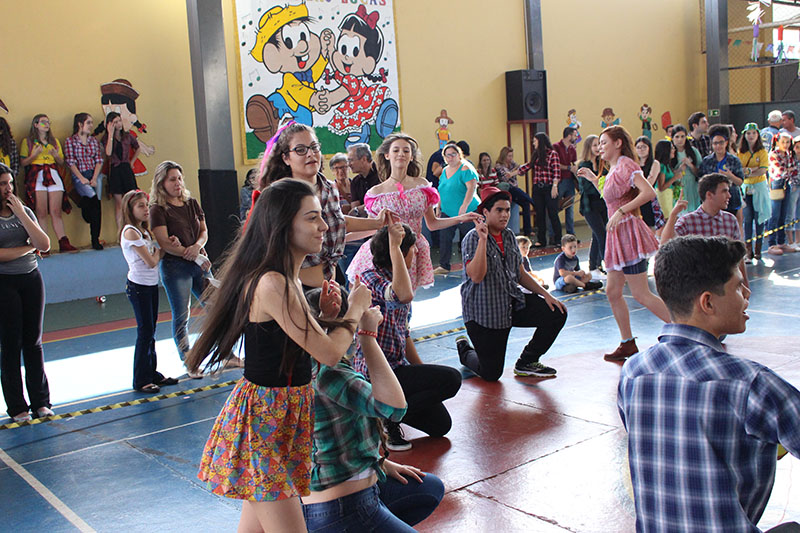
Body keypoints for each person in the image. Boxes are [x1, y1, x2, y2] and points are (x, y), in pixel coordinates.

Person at [186, 178, 373, 533]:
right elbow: (330, 354)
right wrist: (356, 309)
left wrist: (325, 318)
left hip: (283, 418)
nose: (324, 226)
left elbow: (294, 342)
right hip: (265, 425)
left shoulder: (289, 280)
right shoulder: (274, 283)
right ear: (283, 226)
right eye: (312, 218)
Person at [618, 235, 800, 533]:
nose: (747, 293)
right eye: (738, 286)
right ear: (708, 302)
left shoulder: (633, 373)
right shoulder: (749, 383)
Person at [302, 289, 444, 531]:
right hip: (343, 507)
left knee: (428, 488)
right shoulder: (331, 374)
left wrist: (379, 464)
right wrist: (368, 337)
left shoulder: (302, 365)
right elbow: (394, 409)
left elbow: (331, 439)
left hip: (331, 496)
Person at [354, 223, 462, 449]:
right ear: (400, 251)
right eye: (412, 248)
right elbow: (401, 295)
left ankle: (387, 415)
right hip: (377, 374)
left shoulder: (400, 279)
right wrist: (396, 246)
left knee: (441, 425)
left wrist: (423, 372)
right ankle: (386, 418)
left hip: (399, 368)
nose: (417, 252)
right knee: (452, 379)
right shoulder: (370, 278)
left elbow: (405, 333)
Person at [577, 126, 670, 362]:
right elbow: (612, 195)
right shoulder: (613, 168)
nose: (600, 147)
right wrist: (594, 180)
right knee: (612, 291)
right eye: (599, 143)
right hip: (616, 235)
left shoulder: (627, 164)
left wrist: (622, 211)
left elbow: (648, 192)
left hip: (628, 233)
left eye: (604, 142)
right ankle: (627, 342)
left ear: (618, 143)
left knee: (640, 293)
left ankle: (686, 329)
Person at [456, 186, 567, 381]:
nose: (505, 215)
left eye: (507, 210)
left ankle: (527, 361)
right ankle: (464, 349)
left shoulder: (508, 236)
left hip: (509, 303)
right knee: (491, 373)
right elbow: (476, 276)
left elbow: (520, 273)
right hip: (484, 314)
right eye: (499, 210)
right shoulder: (472, 238)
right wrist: (483, 240)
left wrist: (546, 295)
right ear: (485, 212)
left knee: (557, 312)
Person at [259, 122, 390, 288]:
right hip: (298, 286)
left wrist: (378, 223)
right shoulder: (281, 195)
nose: (310, 154)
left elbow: (338, 221)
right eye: (300, 150)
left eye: (314, 147)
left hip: (331, 283)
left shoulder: (329, 187)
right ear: (286, 158)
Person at [346, 133, 480, 290]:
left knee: (406, 297)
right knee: (384, 297)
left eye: (406, 151)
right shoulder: (376, 192)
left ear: (411, 157)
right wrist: (341, 238)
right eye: (396, 150)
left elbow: (432, 223)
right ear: (387, 155)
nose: (401, 154)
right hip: (385, 251)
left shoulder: (422, 186)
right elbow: (371, 227)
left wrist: (461, 218)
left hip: (412, 249)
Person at [0, 164, 53, 422]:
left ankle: (40, 402)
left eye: (10, 183)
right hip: (5, 282)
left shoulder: (24, 211)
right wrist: (27, 248)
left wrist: (21, 213)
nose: (8, 189)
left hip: (31, 279)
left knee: (34, 342)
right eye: (2, 184)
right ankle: (17, 406)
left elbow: (44, 243)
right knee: (11, 344)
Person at [149, 161, 211, 373]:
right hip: (176, 268)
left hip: (198, 263)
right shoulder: (158, 209)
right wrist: (191, 254)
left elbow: (203, 231)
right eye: (172, 180)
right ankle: (189, 359)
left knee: (215, 307)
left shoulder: (191, 203)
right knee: (182, 315)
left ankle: (226, 353)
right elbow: (165, 243)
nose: (177, 183)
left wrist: (197, 247)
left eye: (179, 178)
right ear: (162, 183)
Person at [119, 189, 178, 393]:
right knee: (145, 332)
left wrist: (166, 246)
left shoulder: (143, 231)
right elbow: (151, 261)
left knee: (151, 331)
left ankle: (151, 372)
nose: (146, 209)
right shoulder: (131, 232)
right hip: (139, 287)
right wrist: (163, 250)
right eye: (140, 206)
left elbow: (154, 255)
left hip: (150, 285)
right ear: (130, 209)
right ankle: (141, 379)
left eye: (146, 205)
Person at [662, 173, 749, 290]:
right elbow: (665, 245)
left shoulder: (730, 220)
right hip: (698, 285)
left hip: (726, 285)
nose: (729, 195)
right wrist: (673, 215)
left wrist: (744, 284)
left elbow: (739, 257)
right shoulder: (688, 221)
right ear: (709, 195)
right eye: (724, 191)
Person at [19, 114, 77, 252]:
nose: (46, 124)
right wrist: (34, 155)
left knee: (56, 211)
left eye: (48, 122)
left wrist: (56, 155)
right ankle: (43, 245)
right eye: (43, 122)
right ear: (35, 125)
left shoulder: (54, 142)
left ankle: (63, 242)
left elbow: (61, 162)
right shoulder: (28, 142)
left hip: (52, 173)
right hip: (37, 174)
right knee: (41, 212)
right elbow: (23, 162)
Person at [434, 141, 480, 274]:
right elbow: (441, 190)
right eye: (447, 155)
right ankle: (444, 266)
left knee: (472, 238)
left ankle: (477, 263)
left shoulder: (465, 168)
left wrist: (464, 206)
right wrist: (438, 207)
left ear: (459, 155)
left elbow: (472, 188)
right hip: (447, 211)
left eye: (453, 154)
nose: (450, 158)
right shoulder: (444, 170)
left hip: (466, 211)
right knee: (445, 238)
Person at [65, 113, 104, 250]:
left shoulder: (93, 141)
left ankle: (95, 238)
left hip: (94, 174)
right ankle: (84, 207)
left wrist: (94, 178)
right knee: (93, 201)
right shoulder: (71, 141)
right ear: (80, 124)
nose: (91, 125)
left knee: (97, 205)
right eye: (88, 123)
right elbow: (70, 162)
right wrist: (81, 178)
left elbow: (98, 160)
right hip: (80, 175)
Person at [698, 125, 745, 227]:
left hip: (731, 200)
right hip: (712, 202)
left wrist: (730, 176)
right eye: (715, 143)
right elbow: (701, 182)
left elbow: (740, 182)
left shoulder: (734, 160)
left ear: (726, 143)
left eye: (721, 143)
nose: (718, 146)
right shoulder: (706, 161)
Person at [102, 111, 140, 231]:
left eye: (119, 121)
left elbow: (137, 147)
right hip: (115, 169)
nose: (118, 124)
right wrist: (110, 134)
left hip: (126, 168)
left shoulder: (127, 136)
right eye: (115, 122)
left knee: (132, 199)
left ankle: (135, 228)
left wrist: (132, 161)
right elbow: (108, 153)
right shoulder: (106, 138)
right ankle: (120, 231)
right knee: (119, 203)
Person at [738, 122, 771, 261]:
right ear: (744, 135)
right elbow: (739, 170)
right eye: (748, 133)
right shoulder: (741, 152)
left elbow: (763, 170)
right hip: (746, 188)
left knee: (759, 219)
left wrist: (748, 171)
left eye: (753, 133)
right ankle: (748, 250)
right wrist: (753, 170)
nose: (751, 136)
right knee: (747, 218)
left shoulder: (762, 152)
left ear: (758, 135)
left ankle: (758, 249)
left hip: (759, 188)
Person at [577, 134, 609, 279]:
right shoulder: (583, 166)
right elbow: (587, 188)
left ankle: (594, 267)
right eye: (595, 145)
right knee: (601, 234)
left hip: (602, 204)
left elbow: (606, 183)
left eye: (599, 145)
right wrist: (597, 182)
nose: (598, 148)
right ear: (588, 147)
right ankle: (607, 264)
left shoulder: (603, 164)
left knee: (597, 235)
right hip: (589, 206)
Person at [526, 133, 563, 248]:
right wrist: (513, 173)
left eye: (535, 141)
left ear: (540, 141)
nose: (533, 143)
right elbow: (528, 166)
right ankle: (541, 240)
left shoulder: (552, 154)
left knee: (553, 213)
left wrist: (555, 186)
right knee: (539, 214)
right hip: (538, 188)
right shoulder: (536, 154)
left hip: (549, 187)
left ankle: (558, 239)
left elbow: (556, 172)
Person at [495, 146, 536, 237]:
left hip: (515, 189)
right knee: (521, 194)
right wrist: (515, 171)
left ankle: (527, 230)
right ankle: (534, 203)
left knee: (525, 203)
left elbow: (521, 171)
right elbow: (505, 177)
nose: (511, 158)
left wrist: (516, 171)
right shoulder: (499, 165)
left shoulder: (512, 163)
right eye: (509, 156)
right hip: (507, 189)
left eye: (511, 156)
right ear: (504, 156)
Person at [766, 131, 796, 256]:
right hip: (776, 184)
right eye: (783, 142)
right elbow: (780, 171)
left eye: (788, 142)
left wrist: (789, 170)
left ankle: (781, 241)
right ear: (777, 142)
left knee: (783, 214)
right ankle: (772, 243)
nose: (785, 144)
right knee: (775, 215)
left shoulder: (789, 154)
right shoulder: (774, 154)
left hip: (786, 184)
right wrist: (790, 170)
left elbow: (794, 169)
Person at [634, 136, 666, 232]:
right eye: (638, 147)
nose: (641, 149)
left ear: (649, 148)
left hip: (648, 199)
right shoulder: (633, 164)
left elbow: (650, 182)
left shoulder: (655, 163)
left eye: (644, 147)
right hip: (635, 199)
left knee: (649, 229)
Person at [671, 124, 703, 213]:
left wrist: (690, 165)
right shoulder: (670, 152)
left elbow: (700, 172)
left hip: (692, 186)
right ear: (672, 138)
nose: (680, 140)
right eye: (677, 137)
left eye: (682, 136)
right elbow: (667, 173)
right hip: (677, 186)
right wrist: (679, 170)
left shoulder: (693, 151)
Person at [553, 126, 579, 235]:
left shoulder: (572, 149)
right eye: (575, 135)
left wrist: (576, 168)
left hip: (570, 180)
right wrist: (568, 168)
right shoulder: (556, 147)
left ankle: (571, 233)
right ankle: (554, 234)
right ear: (569, 136)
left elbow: (574, 163)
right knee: (555, 207)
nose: (576, 137)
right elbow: (554, 164)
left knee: (570, 208)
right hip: (559, 180)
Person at [347, 142, 380, 217]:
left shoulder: (383, 175)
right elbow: (354, 211)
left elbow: (383, 202)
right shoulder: (355, 182)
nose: (349, 164)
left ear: (364, 159)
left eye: (351, 160)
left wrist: (360, 209)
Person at [654, 139, 678, 218]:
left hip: (669, 195)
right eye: (672, 148)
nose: (674, 150)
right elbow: (661, 187)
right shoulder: (662, 166)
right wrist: (674, 178)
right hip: (663, 196)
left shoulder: (667, 165)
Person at [789, 136, 800, 250]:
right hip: (793, 187)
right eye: (797, 147)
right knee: (790, 213)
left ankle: (798, 240)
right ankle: (790, 241)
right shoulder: (791, 159)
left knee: (799, 214)